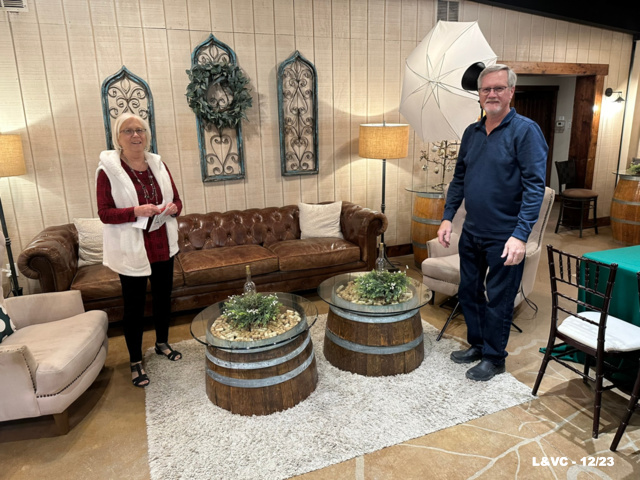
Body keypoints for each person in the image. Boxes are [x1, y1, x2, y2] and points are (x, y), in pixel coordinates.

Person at [437, 64, 548, 382]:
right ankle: (477, 345)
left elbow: (534, 187)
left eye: (499, 88)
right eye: (486, 89)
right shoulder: (471, 133)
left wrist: (520, 235)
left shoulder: (525, 131)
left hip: (505, 236)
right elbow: (459, 178)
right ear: (479, 95)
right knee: (469, 292)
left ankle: (494, 358)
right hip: (472, 231)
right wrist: (447, 217)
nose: (492, 94)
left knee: (499, 298)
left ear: (511, 91)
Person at [96, 112, 183, 388]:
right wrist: (135, 211)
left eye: (140, 130)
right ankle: (135, 361)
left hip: (161, 242)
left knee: (162, 299)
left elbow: (177, 201)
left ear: (147, 135)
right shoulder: (108, 170)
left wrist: (173, 208)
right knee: (134, 308)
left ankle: (162, 343)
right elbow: (104, 213)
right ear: (118, 138)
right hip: (131, 247)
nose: (136, 135)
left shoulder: (158, 164)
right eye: (128, 131)